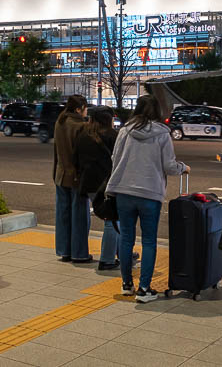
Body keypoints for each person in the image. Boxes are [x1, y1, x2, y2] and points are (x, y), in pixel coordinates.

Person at [106, 95, 189, 303]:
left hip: (124, 191)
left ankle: (126, 285)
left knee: (126, 238)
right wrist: (183, 168)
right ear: (157, 111)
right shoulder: (162, 134)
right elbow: (169, 166)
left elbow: (114, 158)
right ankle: (144, 289)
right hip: (149, 193)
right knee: (149, 241)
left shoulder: (125, 131)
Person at [76, 106, 121, 270]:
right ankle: (108, 259)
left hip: (88, 183)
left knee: (113, 219)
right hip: (107, 184)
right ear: (109, 120)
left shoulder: (83, 135)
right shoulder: (112, 135)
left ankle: (121, 253)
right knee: (113, 220)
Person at [53, 94, 90, 263]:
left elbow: (56, 152)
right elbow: (84, 155)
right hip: (77, 177)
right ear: (78, 109)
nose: (86, 111)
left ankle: (64, 251)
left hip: (60, 175)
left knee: (63, 215)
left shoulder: (60, 122)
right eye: (85, 107)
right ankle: (79, 253)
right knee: (79, 216)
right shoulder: (81, 126)